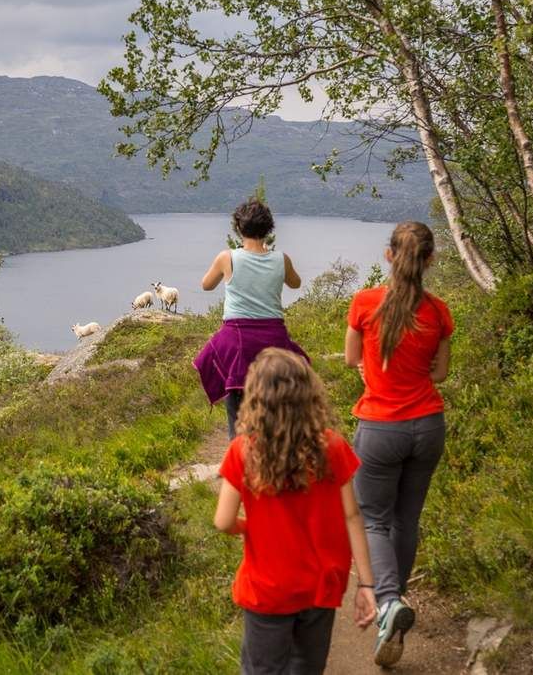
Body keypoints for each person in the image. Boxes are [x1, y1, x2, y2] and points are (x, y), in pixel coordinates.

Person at [215, 349, 377, 675]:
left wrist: (248, 527)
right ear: (308, 394)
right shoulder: (331, 447)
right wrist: (367, 585)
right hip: (321, 585)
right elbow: (352, 517)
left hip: (267, 590)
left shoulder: (242, 452)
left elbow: (223, 521)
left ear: (256, 397)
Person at [344, 221, 453, 668]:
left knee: (373, 519)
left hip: (381, 426)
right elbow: (441, 373)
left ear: (389, 256)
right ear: (429, 260)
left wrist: (375, 371)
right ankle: (396, 603)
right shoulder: (440, 311)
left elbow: (352, 358)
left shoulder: (366, 303)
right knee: (406, 519)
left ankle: (388, 603)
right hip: (428, 426)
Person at [194, 198, 305, 438]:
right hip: (274, 340)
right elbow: (296, 283)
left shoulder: (227, 258)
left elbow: (206, 285)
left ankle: (241, 459)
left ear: (239, 228)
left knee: (238, 405)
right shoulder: (281, 259)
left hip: (238, 341)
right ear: (268, 229)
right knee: (277, 402)